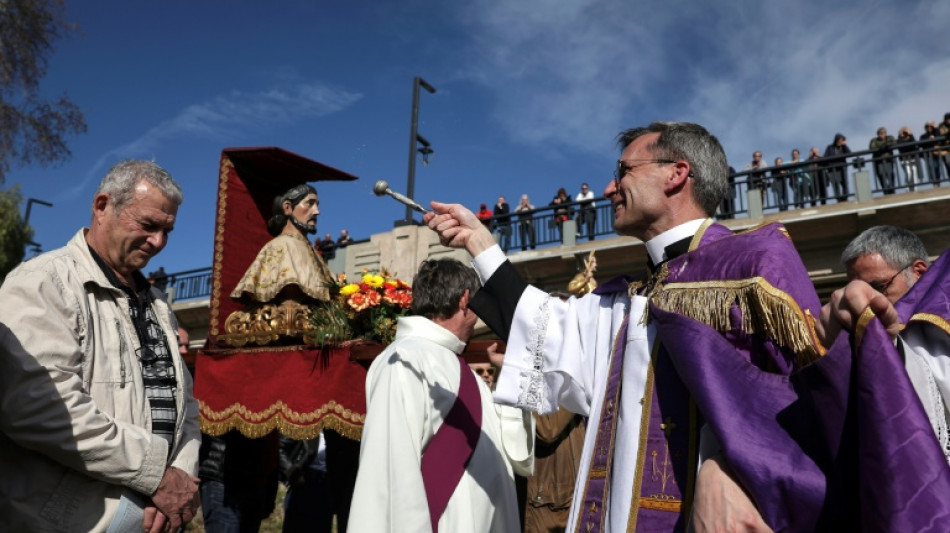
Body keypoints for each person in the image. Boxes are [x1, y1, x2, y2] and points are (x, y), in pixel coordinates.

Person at [425, 122, 829, 531]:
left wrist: (724, 467)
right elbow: (540, 326)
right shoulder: (626, 298)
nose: (609, 188)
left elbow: (807, 408)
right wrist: (478, 242)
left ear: (677, 173)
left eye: (624, 171)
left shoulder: (755, 268)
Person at [0, 160, 201, 532]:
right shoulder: (42, 283)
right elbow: (39, 409)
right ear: (103, 206)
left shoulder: (158, 303)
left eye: (167, 230)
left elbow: (187, 407)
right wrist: (156, 474)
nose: (158, 242)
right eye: (148, 225)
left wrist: (181, 477)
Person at [349, 258, 534, 533]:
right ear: (465, 300)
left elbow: (515, 454)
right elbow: (390, 469)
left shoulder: (468, 374)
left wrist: (512, 376)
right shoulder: (404, 359)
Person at [231, 184, 334, 305]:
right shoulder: (279, 246)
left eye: (317, 205)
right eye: (310, 203)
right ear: (287, 207)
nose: (317, 211)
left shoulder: (313, 252)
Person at [280, 432, 332, 533]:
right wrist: (293, 475)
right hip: (305, 483)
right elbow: (280, 448)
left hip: (327, 487)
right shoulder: (304, 422)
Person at [823, 133, 852, 202]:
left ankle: (845, 197)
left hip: (842, 167)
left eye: (842, 140)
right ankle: (838, 198)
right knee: (835, 183)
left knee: (844, 182)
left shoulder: (843, 147)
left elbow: (849, 154)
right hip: (832, 168)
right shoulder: (830, 147)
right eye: (839, 140)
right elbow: (825, 157)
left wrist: (845, 145)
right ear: (836, 140)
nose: (840, 142)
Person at [869, 127, 897, 194]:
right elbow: (872, 147)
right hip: (879, 162)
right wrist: (882, 147)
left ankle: (892, 190)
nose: (882, 135)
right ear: (878, 134)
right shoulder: (874, 140)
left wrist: (886, 146)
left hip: (888, 160)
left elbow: (894, 143)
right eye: (880, 133)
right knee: (881, 176)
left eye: (883, 133)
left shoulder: (889, 138)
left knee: (890, 175)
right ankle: (885, 191)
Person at [896, 126, 919, 191]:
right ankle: (907, 188)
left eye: (906, 131)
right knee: (908, 172)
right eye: (904, 131)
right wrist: (900, 136)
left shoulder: (911, 138)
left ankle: (915, 188)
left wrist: (910, 134)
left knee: (914, 172)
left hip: (912, 158)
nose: (905, 133)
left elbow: (914, 144)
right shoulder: (899, 140)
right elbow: (900, 147)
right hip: (904, 159)